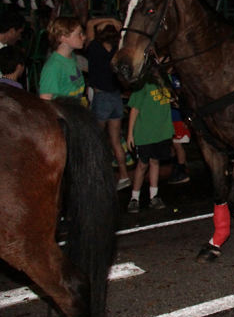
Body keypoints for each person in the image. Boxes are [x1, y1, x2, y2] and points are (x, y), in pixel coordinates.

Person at [85, 18, 131, 190]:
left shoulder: (95, 47)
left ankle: (98, 177)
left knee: (96, 139)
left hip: (102, 97)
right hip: (116, 97)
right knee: (115, 140)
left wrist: (108, 19)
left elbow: (90, 24)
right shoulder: (116, 50)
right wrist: (114, 22)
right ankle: (124, 176)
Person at [126, 74, 174, 213]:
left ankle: (154, 196)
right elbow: (134, 108)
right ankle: (134, 198)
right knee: (142, 164)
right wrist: (130, 133)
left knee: (155, 162)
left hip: (161, 131)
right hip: (145, 132)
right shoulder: (143, 82)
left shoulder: (166, 78)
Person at [39, 17, 86, 104]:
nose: (83, 37)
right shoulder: (53, 66)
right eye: (79, 34)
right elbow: (45, 101)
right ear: (63, 37)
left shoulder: (72, 56)